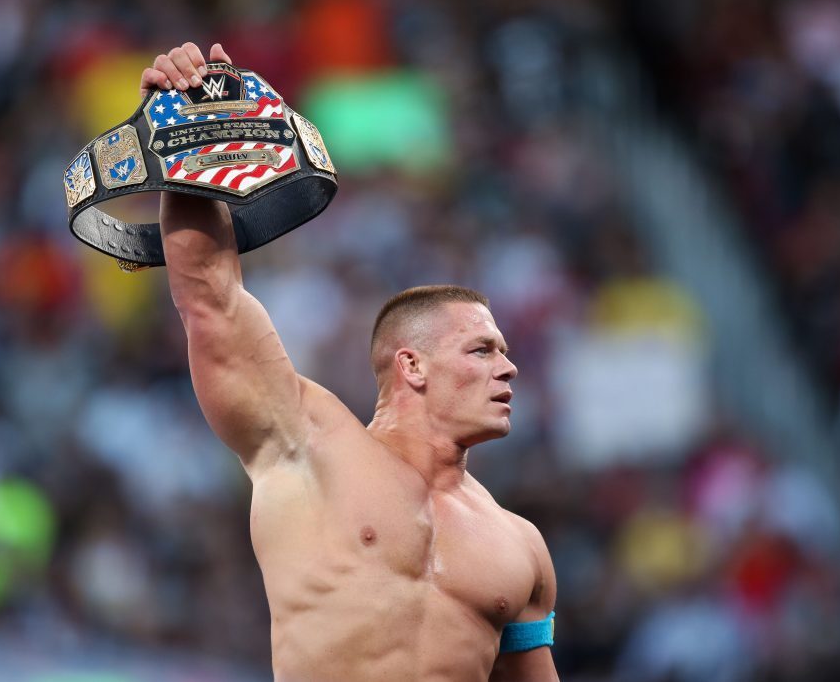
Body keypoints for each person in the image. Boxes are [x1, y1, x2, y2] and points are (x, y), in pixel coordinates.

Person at [140, 42, 559, 682]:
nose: (510, 370)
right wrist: (187, 129)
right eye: (483, 350)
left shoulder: (521, 546)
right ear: (412, 367)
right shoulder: (307, 445)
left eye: (504, 353)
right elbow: (210, 298)